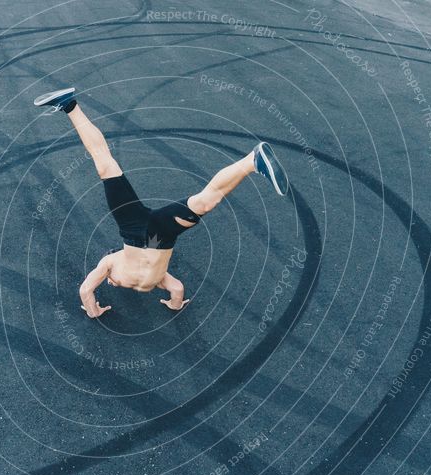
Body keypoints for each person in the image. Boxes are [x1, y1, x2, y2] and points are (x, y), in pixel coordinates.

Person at [34, 87, 288, 318]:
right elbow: (177, 288)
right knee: (203, 203)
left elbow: (85, 289)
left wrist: (93, 311)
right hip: (160, 235)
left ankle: (69, 106)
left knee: (105, 164)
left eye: (109, 281)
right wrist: (174, 303)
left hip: (132, 229)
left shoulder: (108, 264)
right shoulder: (161, 280)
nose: (110, 283)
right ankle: (252, 160)